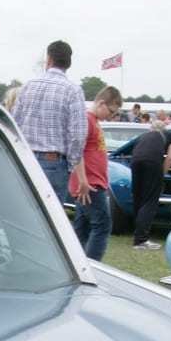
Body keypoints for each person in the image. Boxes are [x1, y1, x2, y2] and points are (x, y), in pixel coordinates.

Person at [10, 40, 86, 202]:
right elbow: (78, 136)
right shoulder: (73, 91)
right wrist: (71, 163)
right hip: (53, 162)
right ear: (69, 63)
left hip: (26, 157)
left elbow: (13, 124)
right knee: (49, 219)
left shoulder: (28, 86)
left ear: (49, 60)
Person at [69, 86, 123, 261]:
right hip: (90, 184)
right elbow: (78, 150)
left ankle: (77, 263)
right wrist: (83, 181)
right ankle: (92, 267)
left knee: (82, 228)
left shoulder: (93, 121)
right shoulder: (87, 120)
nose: (111, 115)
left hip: (91, 182)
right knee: (102, 225)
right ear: (101, 103)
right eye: (111, 110)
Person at [129, 119, 171, 250]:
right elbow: (170, 157)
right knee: (150, 200)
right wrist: (161, 173)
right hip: (152, 162)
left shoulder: (143, 136)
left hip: (135, 161)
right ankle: (141, 240)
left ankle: (137, 234)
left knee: (138, 198)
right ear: (164, 129)